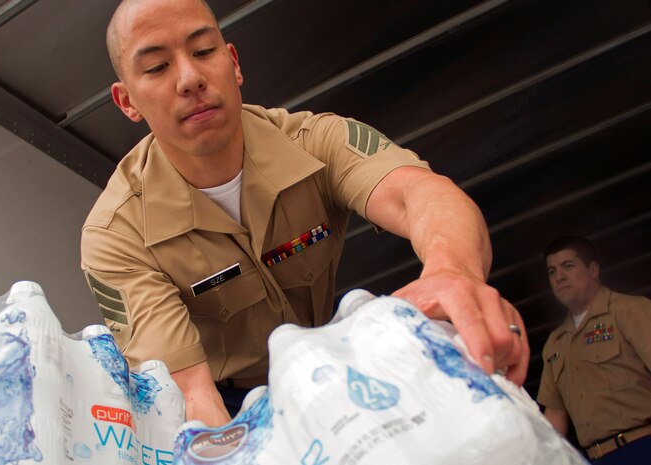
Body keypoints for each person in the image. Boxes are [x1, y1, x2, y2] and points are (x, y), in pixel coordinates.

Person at [81, 0, 528, 426]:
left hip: (331, 356)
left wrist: (454, 271)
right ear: (127, 102)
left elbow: (421, 194)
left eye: (202, 51)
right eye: (157, 66)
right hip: (232, 402)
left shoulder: (319, 140)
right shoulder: (115, 235)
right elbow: (193, 398)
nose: (190, 77)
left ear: (233, 62)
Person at [538, 235, 651, 464]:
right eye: (552, 271)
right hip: (594, 458)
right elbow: (555, 416)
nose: (559, 277)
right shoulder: (555, 343)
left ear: (593, 270)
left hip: (642, 445)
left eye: (568, 266)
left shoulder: (629, 310)